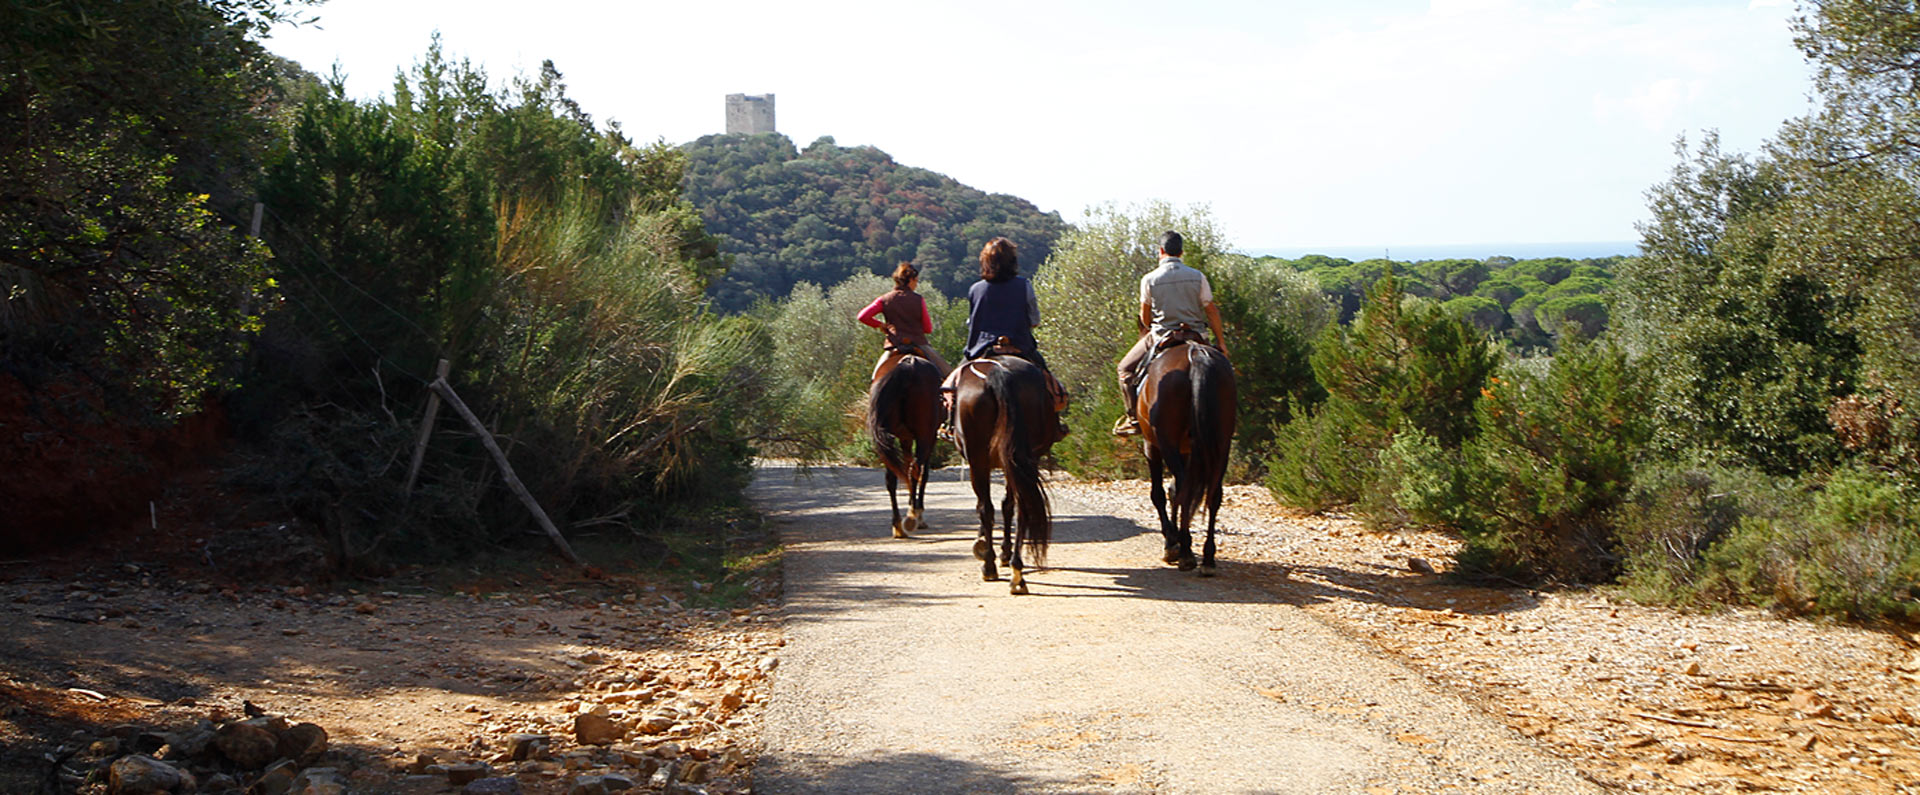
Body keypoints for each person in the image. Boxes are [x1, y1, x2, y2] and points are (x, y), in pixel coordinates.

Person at [940, 237, 1067, 436]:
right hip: (1019, 347)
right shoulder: (1024, 286)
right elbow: (1034, 319)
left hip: (983, 349)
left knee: (951, 386)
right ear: (1012, 261)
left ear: (985, 262)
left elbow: (972, 323)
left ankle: (949, 424)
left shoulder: (975, 289)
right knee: (1053, 388)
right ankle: (1056, 426)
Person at [1113, 230, 1228, 436]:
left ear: (1161, 251)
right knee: (1222, 371)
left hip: (1162, 335)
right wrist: (1221, 342)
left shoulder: (1149, 279)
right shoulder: (1197, 276)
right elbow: (1211, 310)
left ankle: (1133, 419)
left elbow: (1145, 317)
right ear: (1181, 252)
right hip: (1196, 335)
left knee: (1124, 370)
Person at [856, 262, 949, 380]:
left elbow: (862, 316)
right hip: (918, 343)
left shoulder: (884, 299)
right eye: (916, 281)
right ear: (910, 280)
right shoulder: (918, 300)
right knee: (948, 375)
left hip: (895, 344)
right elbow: (928, 329)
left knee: (875, 380)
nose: (916, 284)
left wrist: (881, 325)